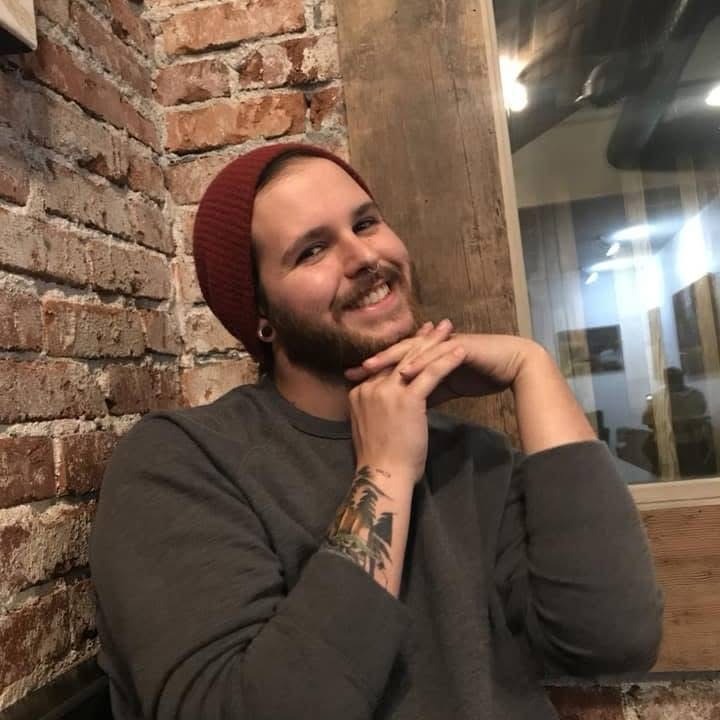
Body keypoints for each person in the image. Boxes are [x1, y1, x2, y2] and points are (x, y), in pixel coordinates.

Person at [90, 143, 663, 720]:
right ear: (259, 314)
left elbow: (611, 639)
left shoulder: (470, 455)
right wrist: (385, 472)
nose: (364, 255)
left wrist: (531, 366)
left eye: (365, 223)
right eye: (312, 250)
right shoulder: (183, 462)